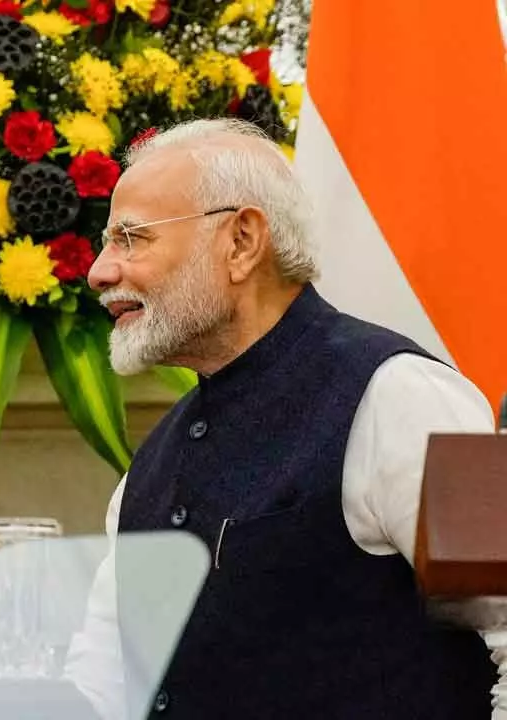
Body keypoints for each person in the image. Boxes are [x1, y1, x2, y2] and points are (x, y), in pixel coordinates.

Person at [64, 118, 505, 719]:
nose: (100, 270)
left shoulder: (403, 397)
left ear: (242, 241)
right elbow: (102, 688)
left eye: (132, 238)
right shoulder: (148, 468)